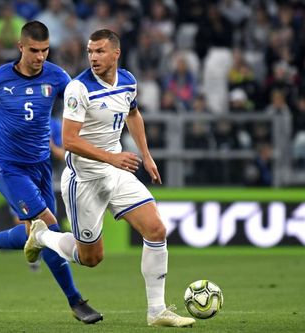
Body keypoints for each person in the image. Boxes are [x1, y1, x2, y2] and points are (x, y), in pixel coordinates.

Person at [24, 29, 196, 328]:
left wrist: (146, 154)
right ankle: (40, 235)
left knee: (156, 230)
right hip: (85, 180)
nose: (93, 57)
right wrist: (113, 157)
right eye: (90, 51)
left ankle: (156, 312)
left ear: (116, 53)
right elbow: (69, 141)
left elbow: (133, 114)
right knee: (90, 259)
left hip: (116, 173)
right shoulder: (79, 88)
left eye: (100, 51)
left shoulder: (128, 80)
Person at [0, 21, 102, 324]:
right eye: (34, 50)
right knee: (49, 227)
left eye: (45, 51)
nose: (40, 56)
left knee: (40, 234)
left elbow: (79, 107)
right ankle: (75, 301)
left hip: (42, 167)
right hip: (9, 167)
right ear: (21, 47)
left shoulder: (57, 76)